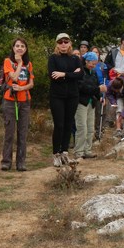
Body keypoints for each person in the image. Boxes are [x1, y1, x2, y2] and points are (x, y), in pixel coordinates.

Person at [48, 33, 83, 167]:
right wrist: (71, 74)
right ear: (57, 44)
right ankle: (56, 153)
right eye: (60, 42)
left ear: (69, 43)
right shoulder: (53, 58)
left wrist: (63, 74)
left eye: (66, 42)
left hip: (72, 95)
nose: (63, 44)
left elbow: (80, 74)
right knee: (59, 124)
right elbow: (52, 75)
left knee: (69, 124)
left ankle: (64, 152)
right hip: (57, 96)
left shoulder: (74, 58)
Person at [1, 38, 35, 171]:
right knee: (9, 132)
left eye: (22, 46)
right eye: (17, 46)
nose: (19, 48)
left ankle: (21, 162)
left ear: (25, 49)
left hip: (25, 101)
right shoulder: (7, 61)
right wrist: (19, 63)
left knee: (23, 132)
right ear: (13, 48)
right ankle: (6, 161)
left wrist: (22, 88)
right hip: (10, 100)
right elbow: (14, 77)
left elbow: (31, 84)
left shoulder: (29, 64)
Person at [73, 52, 105, 159]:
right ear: (86, 61)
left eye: (95, 63)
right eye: (91, 63)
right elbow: (82, 87)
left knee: (90, 128)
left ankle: (87, 150)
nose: (93, 65)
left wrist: (100, 96)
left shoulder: (94, 73)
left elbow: (95, 86)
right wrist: (98, 89)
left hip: (92, 103)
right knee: (82, 128)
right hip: (81, 102)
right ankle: (79, 151)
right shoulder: (80, 72)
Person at [91, 46, 108, 141]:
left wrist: (105, 90)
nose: (95, 54)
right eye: (93, 52)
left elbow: (106, 79)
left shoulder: (103, 66)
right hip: (91, 89)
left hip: (101, 90)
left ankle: (99, 131)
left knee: (100, 112)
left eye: (97, 52)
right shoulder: (88, 64)